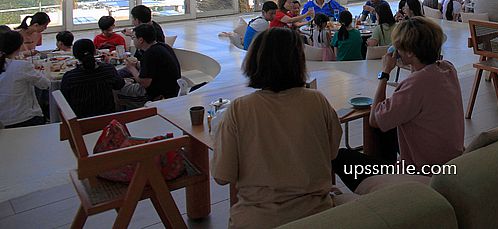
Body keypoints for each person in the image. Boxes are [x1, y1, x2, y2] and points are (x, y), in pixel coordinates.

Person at [212, 27, 343, 228]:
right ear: (299, 62)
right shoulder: (317, 101)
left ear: (255, 61)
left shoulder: (239, 110)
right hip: (316, 215)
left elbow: (222, 176)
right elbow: (332, 152)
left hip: (258, 219)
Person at [333, 17, 464, 192]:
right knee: (388, 125)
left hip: (423, 172)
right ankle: (388, 176)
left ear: (409, 52)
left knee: (340, 157)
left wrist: (385, 73)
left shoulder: (416, 85)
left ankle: (388, 187)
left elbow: (374, 120)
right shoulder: (447, 68)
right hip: (450, 164)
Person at [119, 24, 181, 107]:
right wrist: (137, 64)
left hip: (157, 96)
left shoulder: (149, 54)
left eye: (133, 38)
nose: (133, 40)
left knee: (117, 88)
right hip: (173, 90)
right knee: (124, 78)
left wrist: (131, 67)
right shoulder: (164, 46)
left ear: (141, 40)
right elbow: (154, 68)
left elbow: (144, 83)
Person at [60, 39, 125, 118]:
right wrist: (107, 65)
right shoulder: (108, 70)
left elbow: (64, 99)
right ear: (95, 52)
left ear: (75, 55)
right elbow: (119, 85)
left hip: (81, 122)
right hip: (107, 118)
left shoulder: (70, 77)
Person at [0, 30, 49, 128]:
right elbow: (46, 84)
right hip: (25, 119)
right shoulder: (21, 66)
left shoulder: (12, 65)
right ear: (19, 46)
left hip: (3, 121)